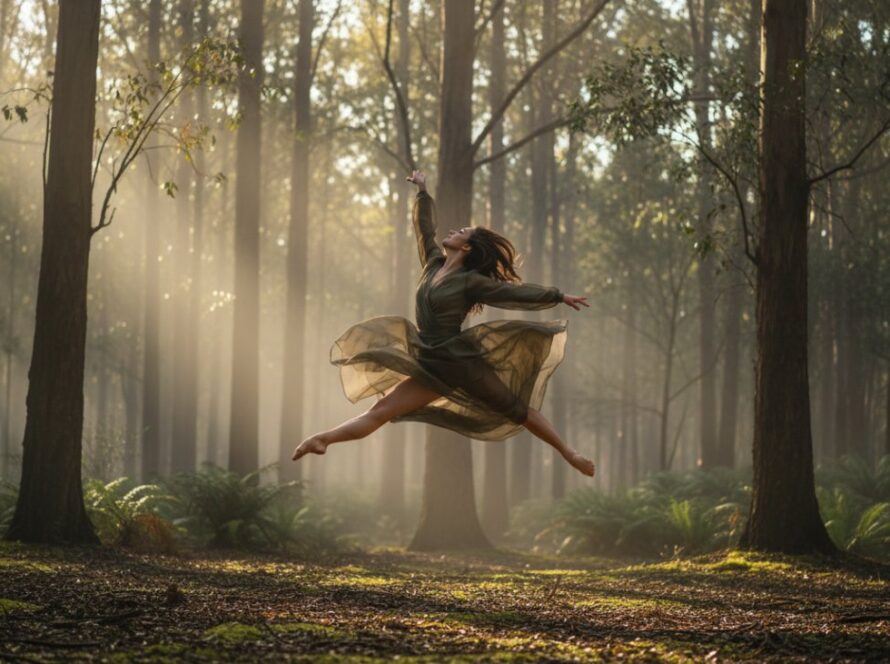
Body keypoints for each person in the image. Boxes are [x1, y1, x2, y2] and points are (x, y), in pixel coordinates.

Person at [292, 170, 595, 477]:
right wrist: (423, 193)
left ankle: (569, 454)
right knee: (381, 412)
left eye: (462, 231)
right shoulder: (433, 265)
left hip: (459, 362)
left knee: (517, 411)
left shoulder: (470, 281)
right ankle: (323, 439)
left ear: (466, 248)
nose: (454, 231)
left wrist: (557, 295)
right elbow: (424, 231)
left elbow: (511, 292)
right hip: (429, 360)